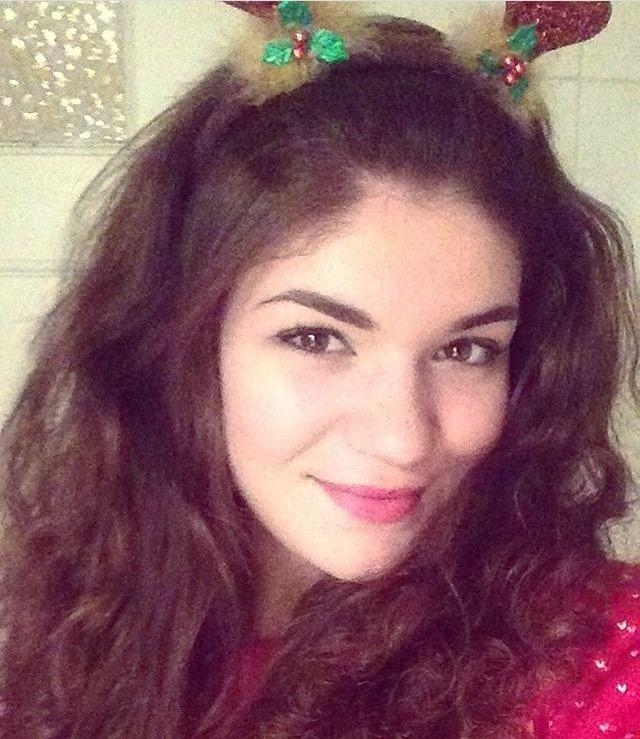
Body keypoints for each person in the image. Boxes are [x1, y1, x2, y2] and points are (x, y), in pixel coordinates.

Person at [0, 2, 638, 737]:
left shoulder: (595, 659)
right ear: (183, 340)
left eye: (466, 350)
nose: (403, 438)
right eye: (317, 338)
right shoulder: (60, 625)